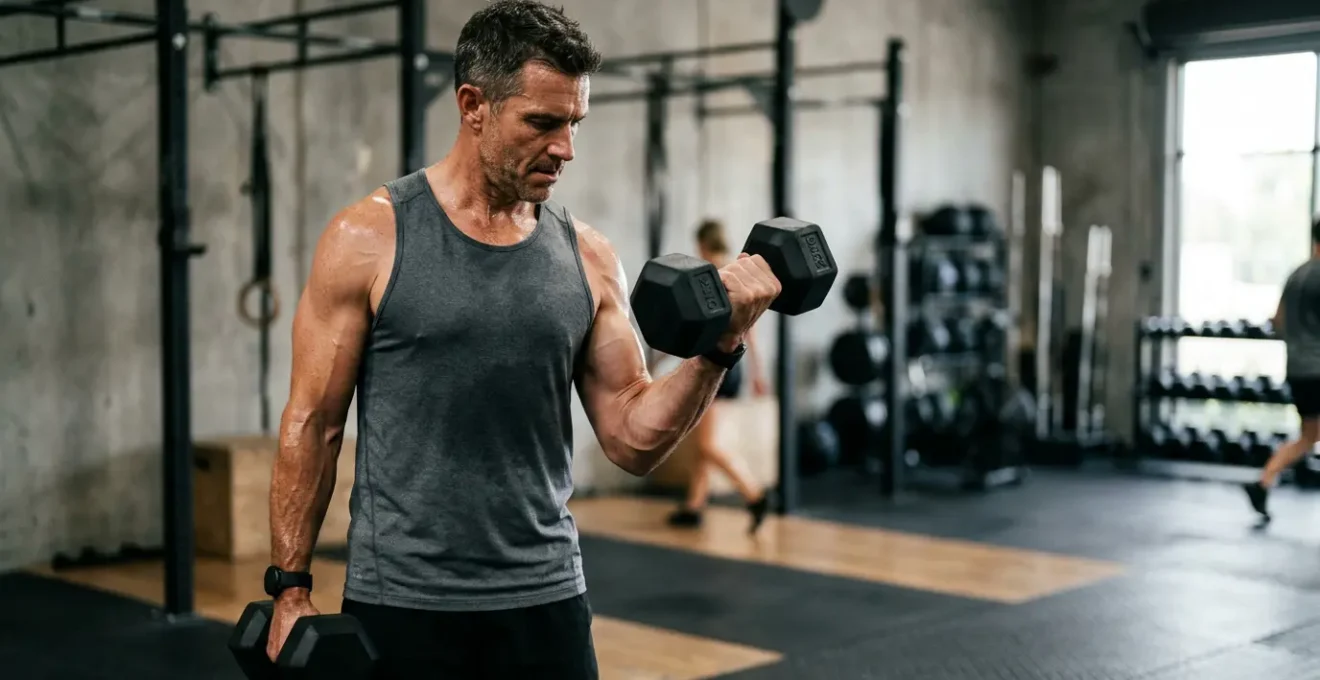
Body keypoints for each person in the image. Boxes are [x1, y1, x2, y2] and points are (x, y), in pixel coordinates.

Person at [261, 2, 784, 678]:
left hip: (547, 596)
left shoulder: (588, 257)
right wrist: (290, 588)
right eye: (542, 122)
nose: (566, 148)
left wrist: (720, 347)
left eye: (574, 123)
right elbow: (314, 423)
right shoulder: (368, 239)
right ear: (473, 105)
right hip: (404, 601)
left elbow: (632, 437)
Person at [666, 219, 772, 533]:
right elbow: (749, 329)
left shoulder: (710, 275)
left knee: (708, 445)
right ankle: (694, 506)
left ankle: (754, 494)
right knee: (703, 442)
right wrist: (757, 372)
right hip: (731, 365)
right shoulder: (736, 271)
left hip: (717, 364)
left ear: (702, 244)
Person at [1243, 217, 1320, 522]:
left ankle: (1263, 483)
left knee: (1309, 435)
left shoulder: (1296, 275)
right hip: (1318, 368)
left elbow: (1277, 321)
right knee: (1310, 435)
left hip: (1297, 368)